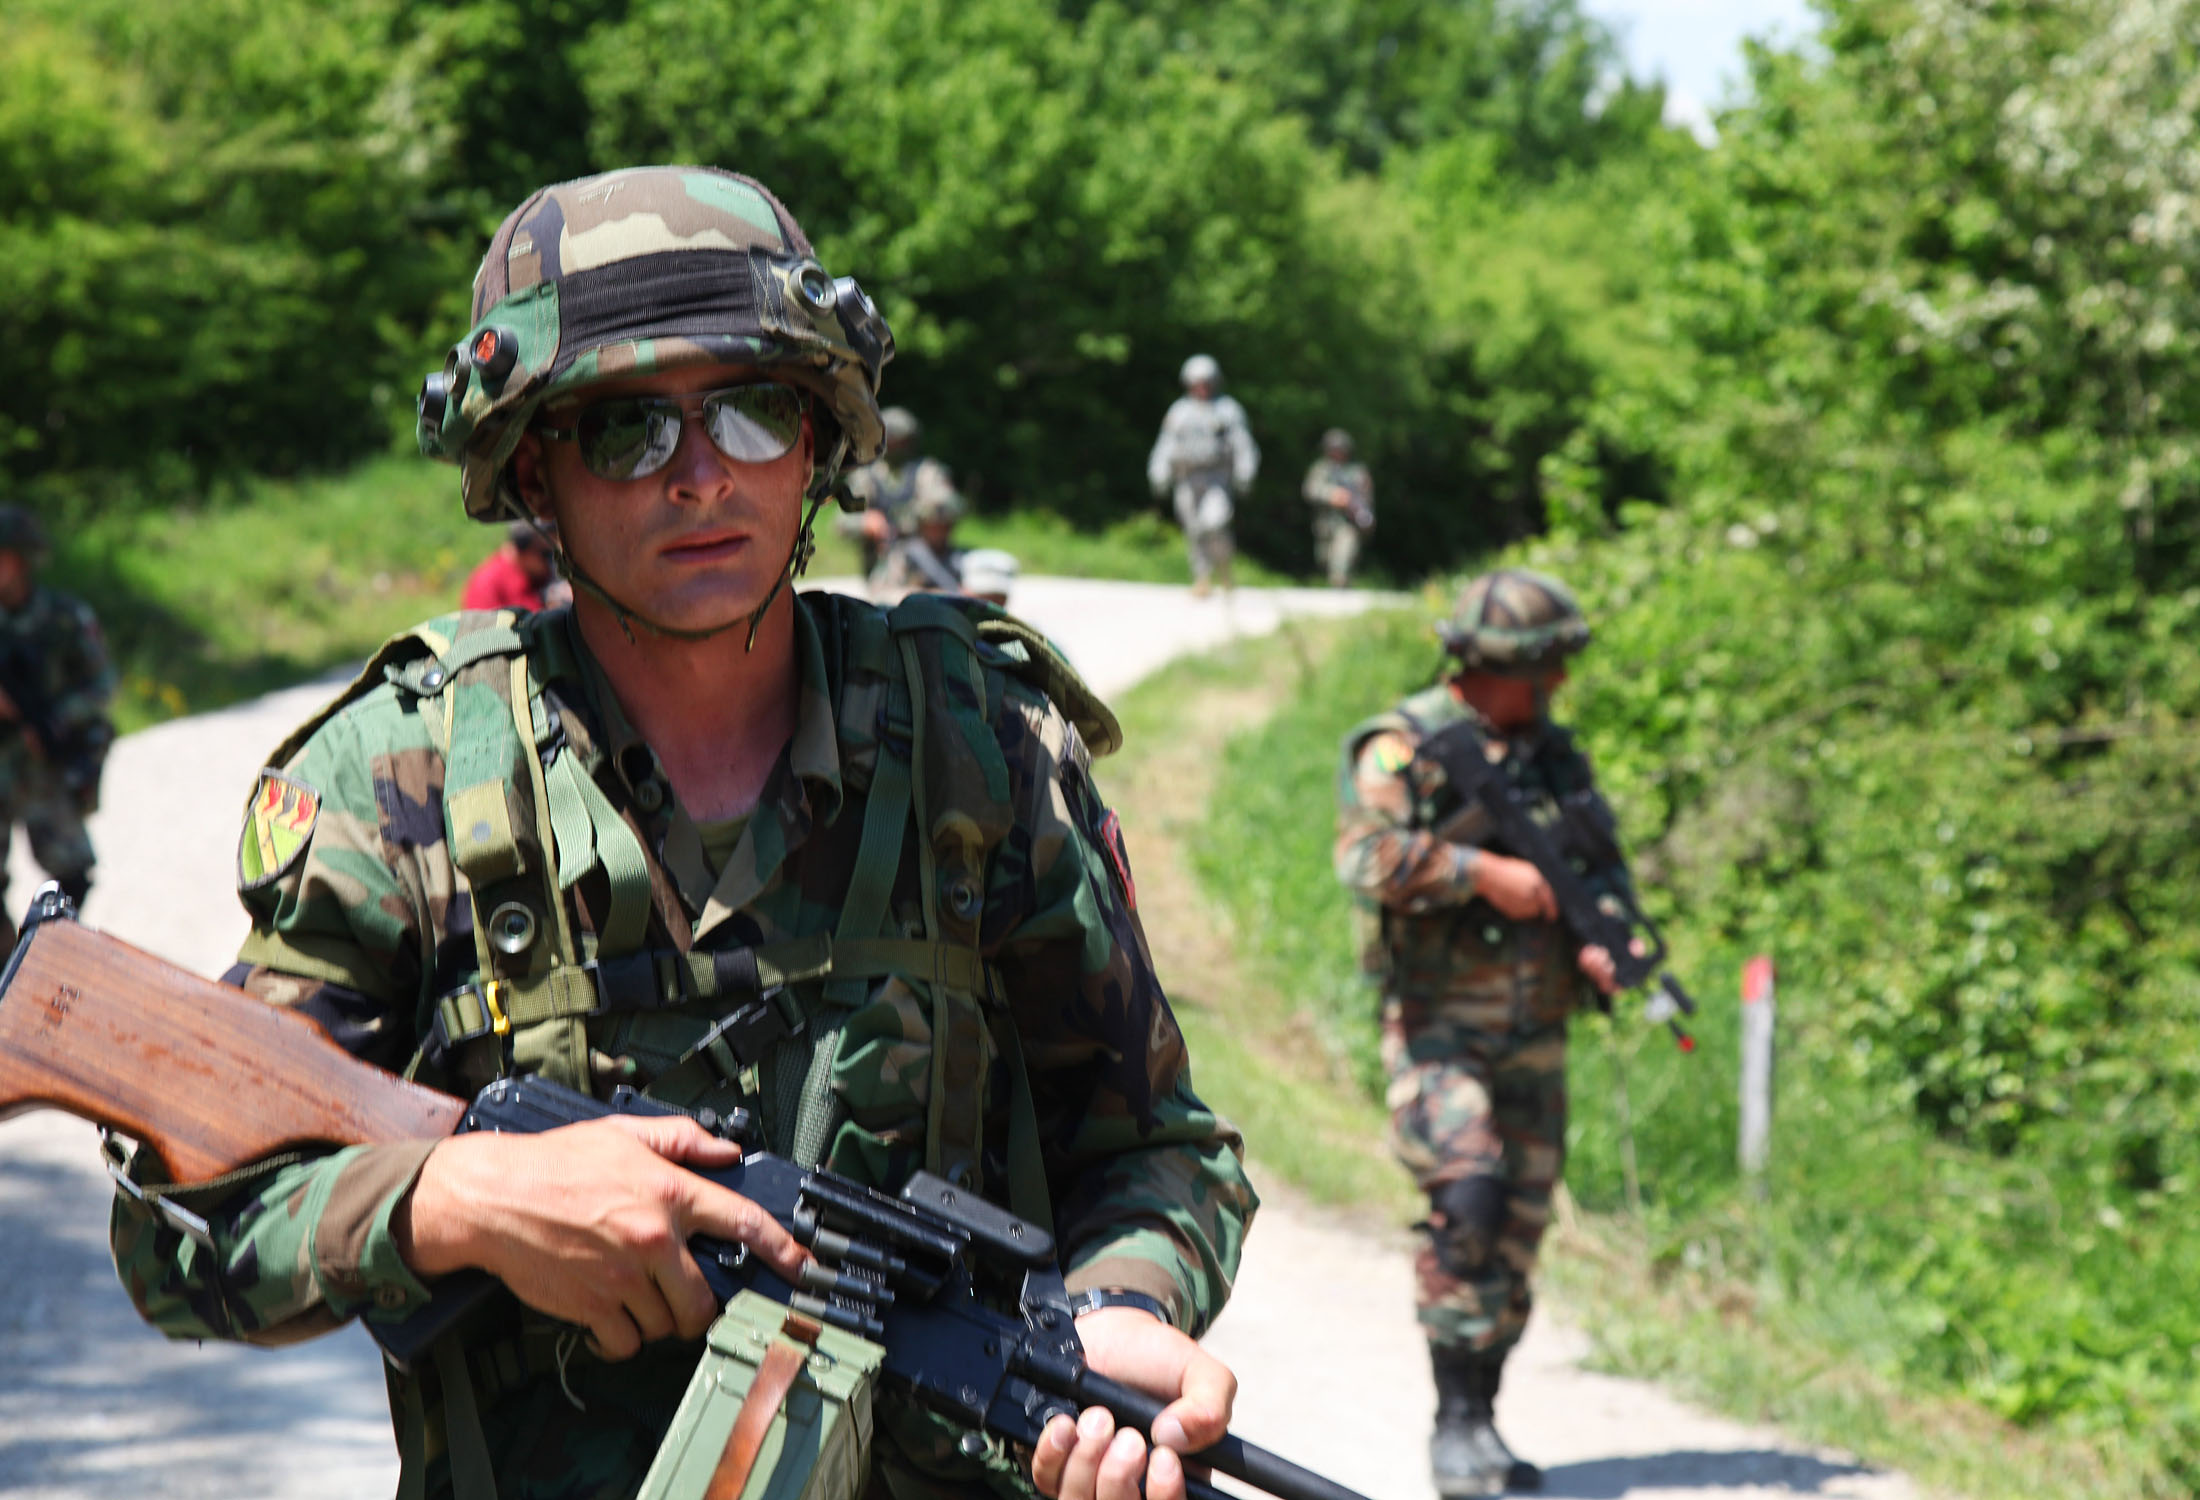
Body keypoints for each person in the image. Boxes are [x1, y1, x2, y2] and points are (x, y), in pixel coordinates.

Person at [108, 165, 1253, 1500]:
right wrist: (455, 1205)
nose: (702, 477)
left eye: (756, 412)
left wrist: (1116, 1319)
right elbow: (180, 1231)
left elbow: (1157, 1150)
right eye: (625, 430)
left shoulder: (976, 748)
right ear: (532, 469)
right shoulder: (408, 781)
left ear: (819, 440)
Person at [1334, 568, 1633, 1497]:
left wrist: (1603, 940)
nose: (1550, 690)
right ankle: (1454, 1425)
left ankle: (1485, 1416)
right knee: (1468, 1204)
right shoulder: (1405, 746)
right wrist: (1479, 872)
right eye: (1535, 670)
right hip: (1439, 1031)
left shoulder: (1552, 755)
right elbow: (1366, 856)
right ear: (1476, 664)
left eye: (1556, 670)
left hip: (1537, 1034)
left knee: (1518, 1238)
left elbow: (1597, 867)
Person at [0, 504, 113, 940]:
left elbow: (102, 684)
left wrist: (53, 721)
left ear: (22, 560)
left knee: (72, 871)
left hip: (44, 761)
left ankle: (46, 948)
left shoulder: (64, 618)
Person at [1145, 355, 1257, 597]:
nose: (1202, 388)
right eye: (1197, 383)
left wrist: (1245, 473)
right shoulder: (1179, 411)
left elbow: (1243, 445)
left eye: (1207, 382)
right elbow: (1166, 445)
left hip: (1217, 479)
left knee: (1214, 523)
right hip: (1186, 479)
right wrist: (1158, 472)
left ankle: (1224, 568)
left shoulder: (1228, 410)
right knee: (1194, 529)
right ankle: (1202, 578)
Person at [838, 406, 952, 580]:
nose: (897, 447)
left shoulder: (927, 473)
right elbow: (842, 522)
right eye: (891, 441)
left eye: (902, 441)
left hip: (927, 568)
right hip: (880, 566)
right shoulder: (866, 477)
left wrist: (919, 518)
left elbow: (947, 508)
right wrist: (866, 522)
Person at [868, 471, 967, 602]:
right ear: (922, 524)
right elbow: (879, 593)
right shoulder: (903, 556)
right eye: (932, 524)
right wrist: (930, 594)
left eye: (944, 524)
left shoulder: (961, 558)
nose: (938, 529)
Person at [1301, 429, 1372, 588]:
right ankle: (1340, 582)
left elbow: (1366, 499)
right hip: (1325, 524)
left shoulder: (1357, 472)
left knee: (1342, 557)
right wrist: (1331, 495)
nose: (1337, 452)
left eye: (1340, 449)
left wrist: (1364, 515)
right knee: (1324, 559)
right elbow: (1309, 490)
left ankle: (1340, 586)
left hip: (1348, 523)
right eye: (1333, 449)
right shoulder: (1321, 469)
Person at [460, 518, 565, 612]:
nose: (552, 561)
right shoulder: (486, 584)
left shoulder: (535, 576)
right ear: (522, 551)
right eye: (546, 554)